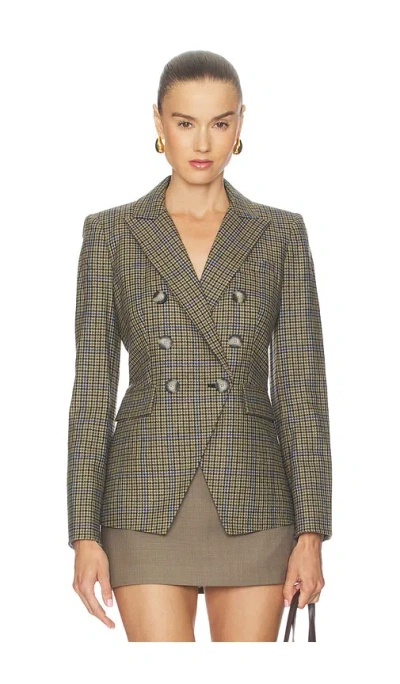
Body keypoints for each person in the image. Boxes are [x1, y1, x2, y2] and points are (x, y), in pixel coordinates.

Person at [67, 49, 332, 642]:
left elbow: (301, 391)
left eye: (220, 122)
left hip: (254, 495)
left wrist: (311, 532)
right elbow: (91, 392)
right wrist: (83, 533)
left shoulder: (279, 233)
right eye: (185, 122)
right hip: (144, 495)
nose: (203, 142)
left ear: (241, 124)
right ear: (158, 122)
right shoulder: (111, 233)